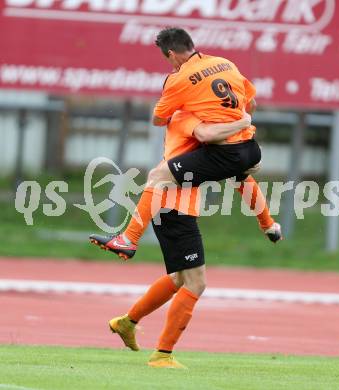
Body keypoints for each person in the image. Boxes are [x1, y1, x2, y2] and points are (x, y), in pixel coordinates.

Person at [91, 110, 280, 369]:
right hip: (173, 209)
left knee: (179, 278)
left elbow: (242, 177)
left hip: (176, 209)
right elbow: (231, 157)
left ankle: (127, 322)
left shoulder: (203, 122)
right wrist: (245, 128)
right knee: (196, 282)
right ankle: (162, 355)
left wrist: (266, 222)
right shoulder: (188, 119)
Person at [90, 27, 281, 260]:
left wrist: (187, 107)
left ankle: (128, 239)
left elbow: (158, 119)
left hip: (219, 159)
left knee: (158, 176)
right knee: (240, 176)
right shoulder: (226, 63)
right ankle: (269, 226)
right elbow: (251, 104)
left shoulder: (178, 81)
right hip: (250, 149)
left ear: (171, 54)